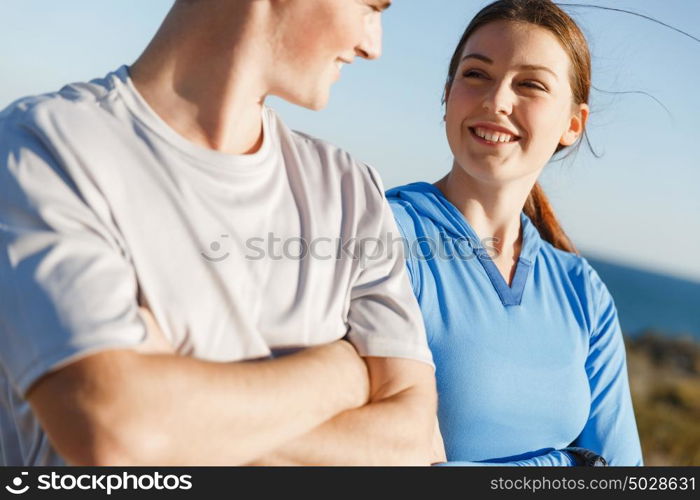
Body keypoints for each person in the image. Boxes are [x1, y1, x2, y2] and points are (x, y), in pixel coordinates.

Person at [0, 0, 440, 466]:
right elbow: (114, 430)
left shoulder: (352, 190)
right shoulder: (44, 149)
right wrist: (340, 374)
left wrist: (176, 418)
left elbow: (408, 444)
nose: (373, 45)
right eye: (370, 6)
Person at [387, 0, 643, 466]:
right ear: (447, 94)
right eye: (476, 74)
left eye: (530, 84)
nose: (496, 100)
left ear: (572, 124)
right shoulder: (381, 236)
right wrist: (569, 464)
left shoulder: (581, 290)